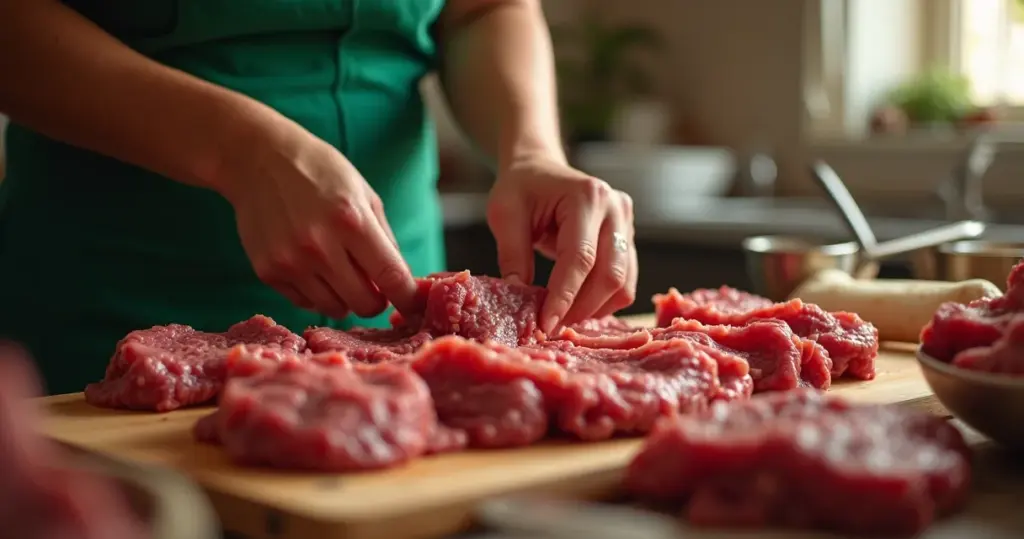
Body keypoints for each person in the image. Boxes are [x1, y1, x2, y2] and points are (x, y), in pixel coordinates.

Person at [0, 0, 638, 396]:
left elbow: (482, 9)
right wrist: (238, 148)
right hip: (108, 307)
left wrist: (530, 151)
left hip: (398, 318)